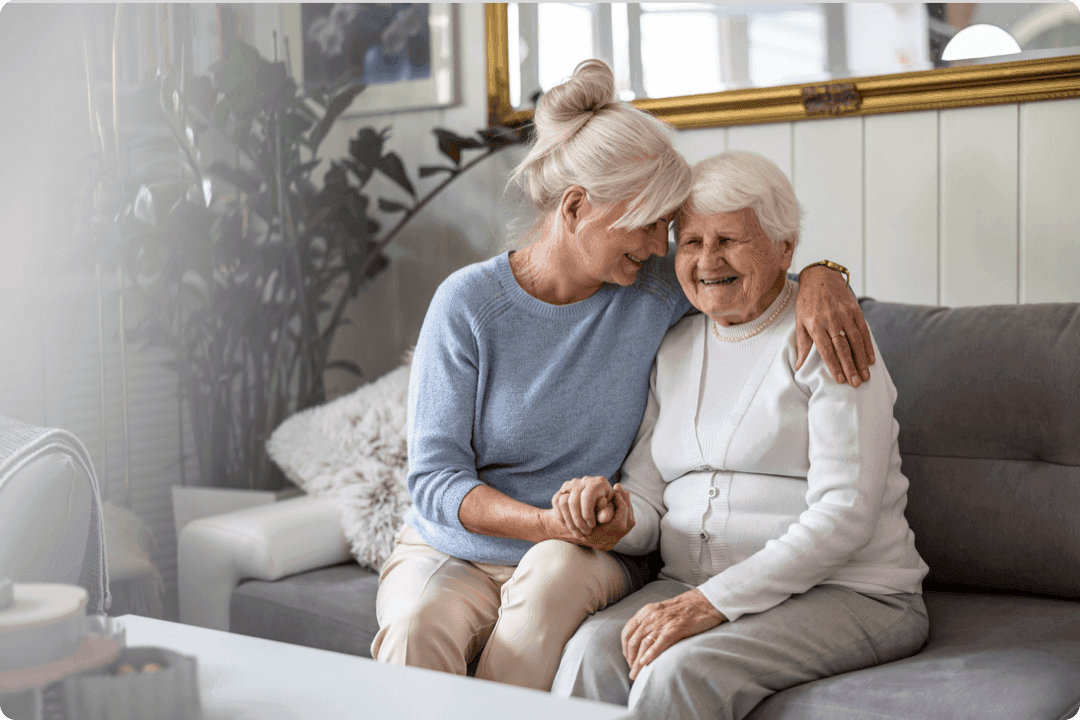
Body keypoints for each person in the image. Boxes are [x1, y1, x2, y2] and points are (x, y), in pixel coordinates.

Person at [371, 61, 875, 692]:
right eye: (646, 223)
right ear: (578, 207)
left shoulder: (653, 286)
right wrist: (542, 523)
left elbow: (756, 278)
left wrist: (827, 276)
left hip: (587, 545)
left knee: (551, 579)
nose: (661, 245)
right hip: (457, 544)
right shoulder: (468, 304)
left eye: (667, 227)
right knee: (417, 625)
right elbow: (436, 482)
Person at [551, 151, 930, 718]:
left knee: (678, 673)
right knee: (589, 653)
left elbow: (845, 512)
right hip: (695, 584)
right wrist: (616, 515)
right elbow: (649, 496)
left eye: (729, 239)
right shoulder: (673, 348)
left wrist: (712, 603)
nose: (707, 260)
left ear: (785, 248)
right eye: (693, 240)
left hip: (851, 592)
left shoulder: (826, 334)